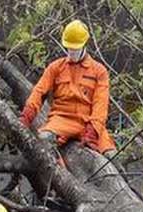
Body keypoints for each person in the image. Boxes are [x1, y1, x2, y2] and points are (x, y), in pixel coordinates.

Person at [19, 20, 116, 157]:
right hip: (61, 120)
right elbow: (39, 92)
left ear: (84, 45)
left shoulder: (99, 71)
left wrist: (93, 130)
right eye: (69, 48)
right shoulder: (55, 67)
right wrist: (26, 116)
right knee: (44, 142)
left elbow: (101, 104)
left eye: (75, 49)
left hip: (89, 122)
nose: (72, 52)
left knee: (111, 156)